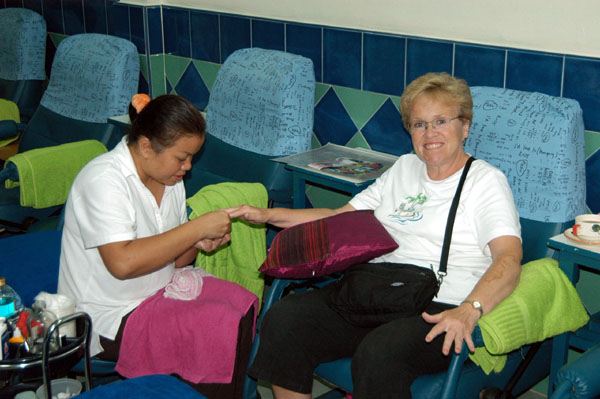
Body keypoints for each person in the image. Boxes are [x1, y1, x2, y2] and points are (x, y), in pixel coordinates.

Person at [228, 72, 523, 399]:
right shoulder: (404, 168)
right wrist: (267, 215)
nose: (430, 134)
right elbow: (338, 219)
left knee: (380, 353)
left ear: (465, 126)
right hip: (378, 290)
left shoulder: (485, 182)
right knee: (286, 319)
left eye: (441, 121)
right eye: (419, 124)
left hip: (441, 304)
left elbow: (509, 258)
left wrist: (470, 308)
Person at [57, 94, 255, 399]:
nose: (187, 167)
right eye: (182, 157)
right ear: (147, 147)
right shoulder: (104, 180)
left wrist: (197, 242)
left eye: (191, 157)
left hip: (157, 291)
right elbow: (122, 263)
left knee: (240, 305)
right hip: (105, 316)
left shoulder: (170, 180)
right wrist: (195, 228)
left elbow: (175, 261)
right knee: (210, 325)